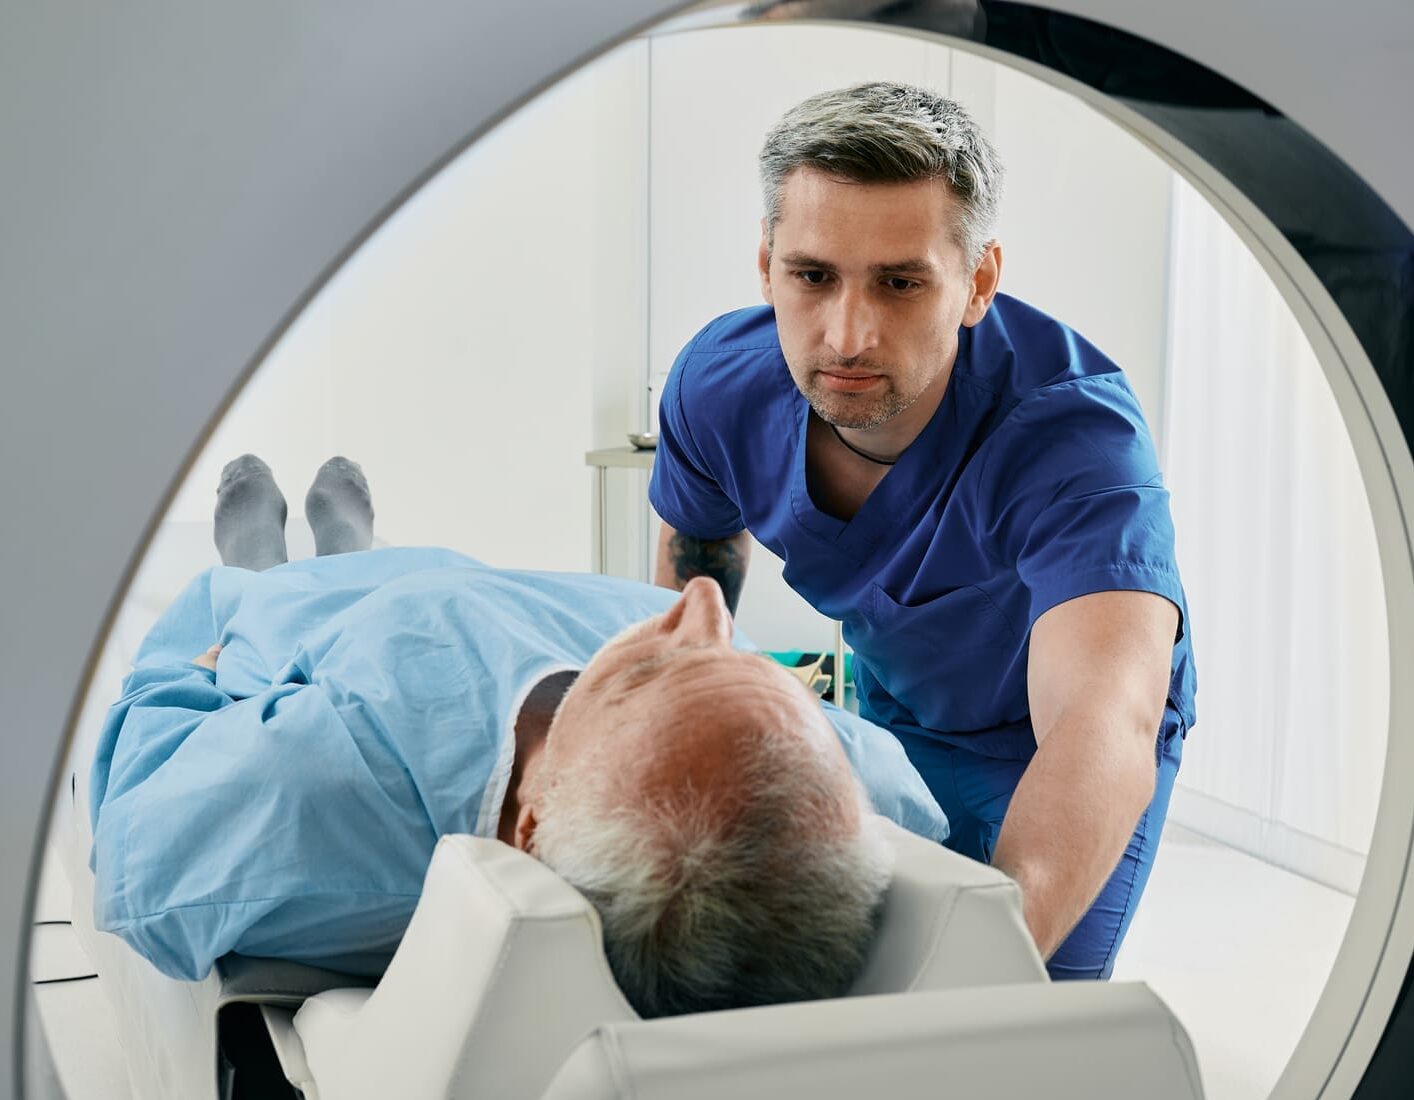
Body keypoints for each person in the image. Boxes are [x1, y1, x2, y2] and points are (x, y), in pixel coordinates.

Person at [650, 81, 1193, 981]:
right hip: (900, 710)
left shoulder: (1074, 439)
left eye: (901, 283)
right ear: (766, 266)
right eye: (812, 276)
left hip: (1054, 742)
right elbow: (695, 572)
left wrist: (981, 978)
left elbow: (1104, 716)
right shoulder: (718, 385)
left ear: (977, 283)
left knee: (1010, 1004)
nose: (848, 334)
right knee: (825, 966)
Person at [89, 454, 948, 1018]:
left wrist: (192, 673)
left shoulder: (321, 795)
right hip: (490, 593)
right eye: (736, 662)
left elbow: (137, 840)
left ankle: (256, 563)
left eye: (651, 676)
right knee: (395, 561)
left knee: (265, 597)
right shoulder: (863, 788)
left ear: (530, 827)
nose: (704, 603)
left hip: (323, 640)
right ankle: (354, 543)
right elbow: (904, 797)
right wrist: (691, 679)